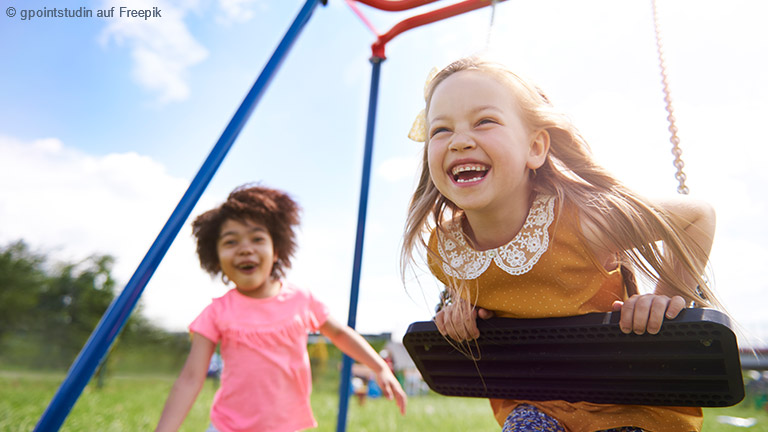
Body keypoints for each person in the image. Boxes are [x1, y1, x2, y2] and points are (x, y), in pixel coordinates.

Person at [401, 57, 725, 432]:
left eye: (484, 121)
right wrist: (458, 312)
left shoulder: (581, 222)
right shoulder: (446, 250)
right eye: (441, 129)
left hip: (631, 404)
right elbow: (483, 296)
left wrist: (666, 295)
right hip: (537, 403)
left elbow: (698, 216)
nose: (459, 141)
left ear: (535, 148)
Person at [156, 185, 406, 432]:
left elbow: (340, 334)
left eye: (257, 239)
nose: (245, 248)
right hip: (227, 427)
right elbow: (191, 377)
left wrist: (380, 366)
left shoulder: (300, 299)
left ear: (276, 250)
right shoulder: (216, 313)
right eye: (231, 242)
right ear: (216, 256)